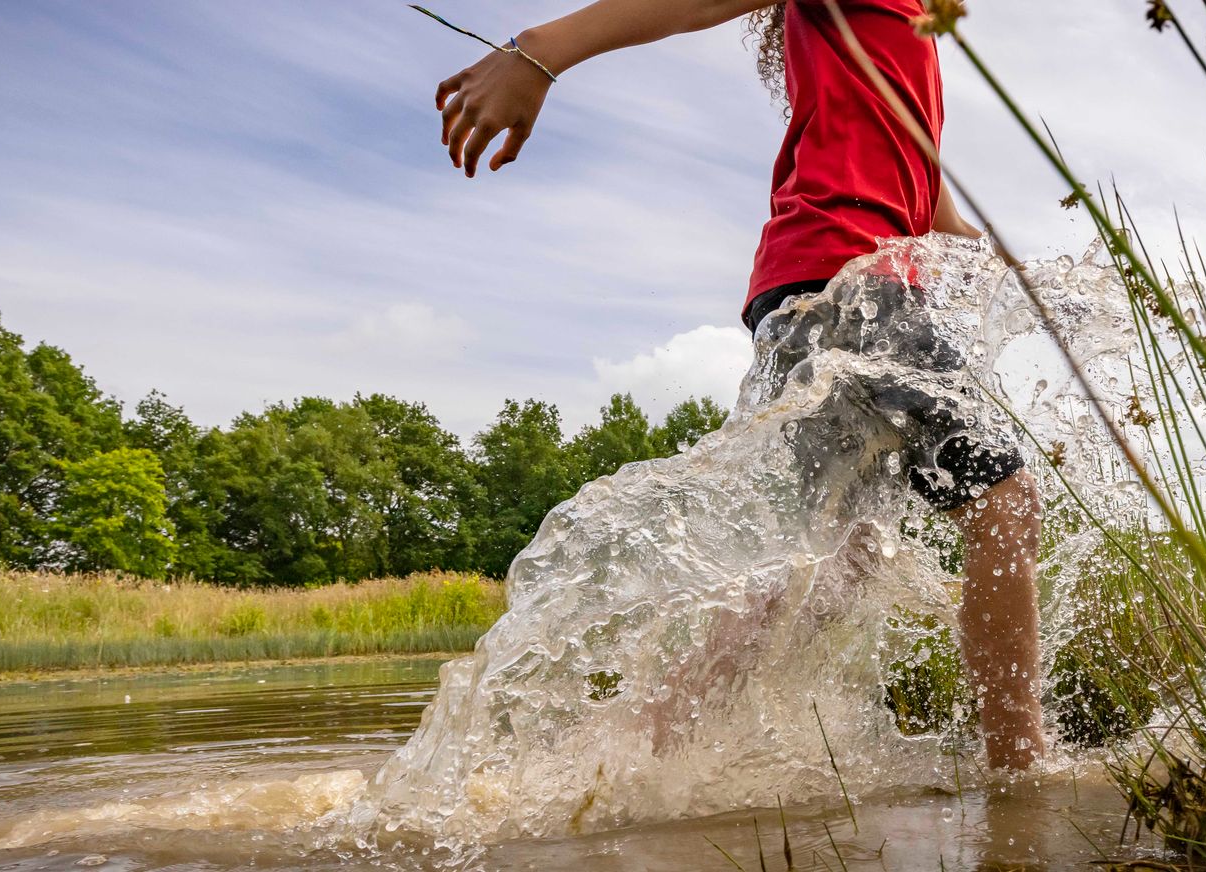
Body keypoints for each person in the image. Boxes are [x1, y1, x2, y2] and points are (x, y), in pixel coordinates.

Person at [432, 0, 1045, 770]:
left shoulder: (904, 30)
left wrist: (1010, 267)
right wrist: (539, 52)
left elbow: (927, 194)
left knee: (836, 563)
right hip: (850, 283)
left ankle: (629, 755)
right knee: (1003, 502)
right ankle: (1021, 773)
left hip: (822, 286)